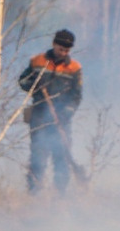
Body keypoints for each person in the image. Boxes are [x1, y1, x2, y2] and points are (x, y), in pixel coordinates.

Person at [18, 29, 82, 194]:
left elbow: (76, 95)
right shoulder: (38, 62)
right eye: (61, 49)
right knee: (38, 155)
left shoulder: (74, 68)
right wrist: (35, 85)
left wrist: (66, 113)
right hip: (39, 116)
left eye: (67, 50)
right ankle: (34, 192)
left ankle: (60, 194)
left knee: (61, 156)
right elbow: (22, 80)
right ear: (54, 44)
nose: (63, 53)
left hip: (62, 119)